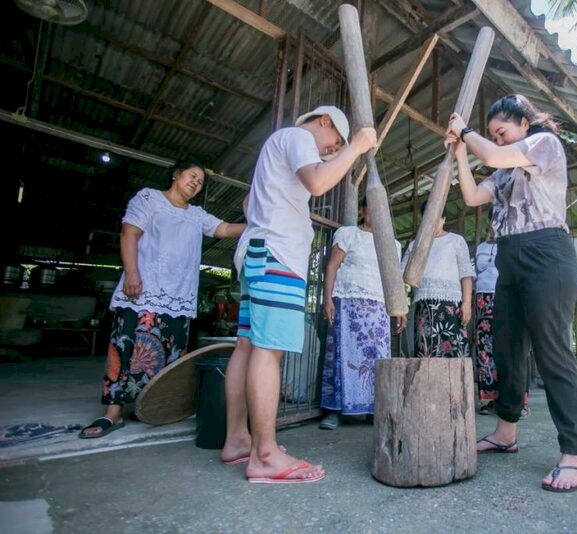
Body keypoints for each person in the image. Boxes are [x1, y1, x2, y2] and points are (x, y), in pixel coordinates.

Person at [220, 105, 378, 484]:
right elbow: (319, 183)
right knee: (267, 350)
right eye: (333, 140)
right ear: (323, 121)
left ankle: (238, 439)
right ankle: (265, 454)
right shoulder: (296, 137)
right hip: (276, 254)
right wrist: (355, 147)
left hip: (258, 251)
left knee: (246, 346)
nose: (330, 149)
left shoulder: (277, 148)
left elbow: (249, 205)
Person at [446, 94, 577, 492]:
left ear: (525, 123)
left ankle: (573, 455)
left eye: (502, 131)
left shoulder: (543, 145)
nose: (499, 139)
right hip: (509, 257)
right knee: (505, 347)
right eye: (494, 134)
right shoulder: (505, 170)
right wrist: (460, 150)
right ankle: (505, 433)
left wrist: (468, 132)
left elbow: (491, 155)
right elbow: (473, 195)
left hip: (547, 253)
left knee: (552, 351)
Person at [79, 161, 245, 439]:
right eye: (192, 176)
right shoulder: (150, 198)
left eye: (201, 182)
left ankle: (160, 409)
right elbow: (129, 233)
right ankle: (113, 413)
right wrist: (132, 274)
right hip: (143, 292)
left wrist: (261, 224)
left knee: (170, 358)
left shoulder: (196, 214)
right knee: (125, 350)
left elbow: (225, 229)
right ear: (176, 175)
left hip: (178, 298)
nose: (196, 183)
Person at [319, 198, 405, 430]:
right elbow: (332, 267)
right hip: (347, 304)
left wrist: (401, 308)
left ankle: (372, 411)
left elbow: (395, 279)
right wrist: (328, 299)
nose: (376, 213)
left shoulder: (392, 245)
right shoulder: (348, 234)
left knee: (376, 359)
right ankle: (334, 411)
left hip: (378, 309)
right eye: (372, 207)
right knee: (342, 355)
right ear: (362, 211)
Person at [474, 212, 529, 418]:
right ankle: (491, 399)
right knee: (485, 348)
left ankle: (518, 401)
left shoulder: (517, 243)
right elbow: (475, 274)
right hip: (483, 300)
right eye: (494, 220)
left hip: (507, 296)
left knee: (512, 348)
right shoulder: (481, 248)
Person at [402, 201, 474, 358]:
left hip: (452, 306)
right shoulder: (415, 245)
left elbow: (466, 274)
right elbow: (403, 275)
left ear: (444, 219)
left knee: (454, 352)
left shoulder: (456, 241)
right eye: (429, 218)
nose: (433, 221)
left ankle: (456, 384)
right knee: (426, 352)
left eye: (437, 217)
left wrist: (466, 304)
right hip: (424, 306)